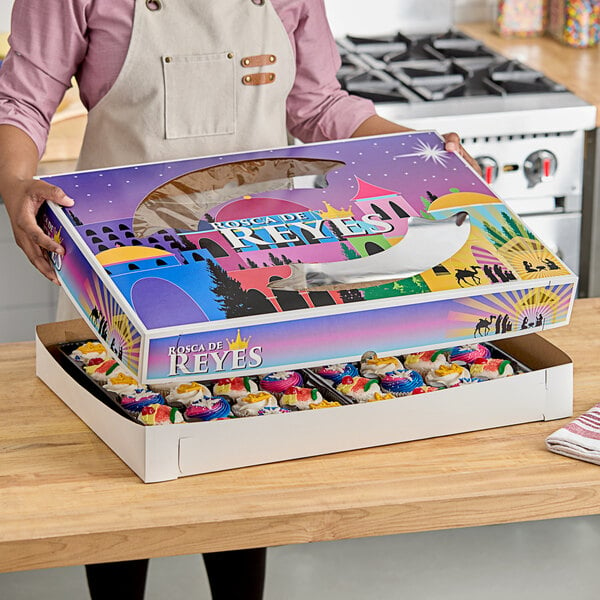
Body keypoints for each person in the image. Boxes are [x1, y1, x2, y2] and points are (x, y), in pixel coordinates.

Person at [0, 1, 480, 598]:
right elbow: (23, 98)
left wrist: (418, 147)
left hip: (253, 263)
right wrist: (15, 181)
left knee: (245, 451)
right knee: (117, 469)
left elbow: (316, 104)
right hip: (120, 259)